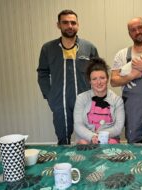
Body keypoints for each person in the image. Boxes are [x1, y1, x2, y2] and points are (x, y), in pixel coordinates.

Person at [37, 10, 99, 145]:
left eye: (73, 23)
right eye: (65, 22)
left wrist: (96, 95)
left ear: (78, 25)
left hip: (86, 101)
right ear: (58, 25)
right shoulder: (48, 48)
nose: (69, 26)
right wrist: (50, 95)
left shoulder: (89, 48)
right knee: (63, 138)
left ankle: (89, 164)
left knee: (89, 138)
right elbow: (42, 73)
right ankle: (64, 165)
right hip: (60, 101)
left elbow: (97, 73)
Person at [74, 57, 125, 144]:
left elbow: (118, 127)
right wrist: (92, 137)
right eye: (94, 79)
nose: (99, 82)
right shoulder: (81, 98)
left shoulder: (117, 100)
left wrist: (101, 136)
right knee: (83, 143)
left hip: (109, 138)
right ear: (90, 81)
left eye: (102, 78)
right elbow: (78, 125)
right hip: (86, 138)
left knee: (112, 144)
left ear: (107, 79)